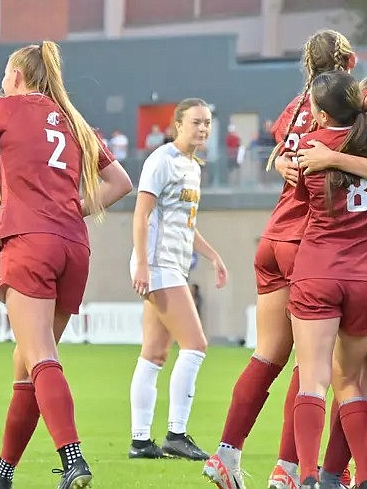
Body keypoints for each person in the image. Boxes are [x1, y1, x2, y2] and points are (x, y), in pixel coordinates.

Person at [0, 41, 133, 489]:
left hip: (30, 242)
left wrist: (16, 198)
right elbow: (121, 182)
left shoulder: (2, 110)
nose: (3, 82)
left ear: (18, 77)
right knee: (28, 366)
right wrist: (70, 207)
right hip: (73, 247)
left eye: (6, 73)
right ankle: (2, 475)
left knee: (40, 356)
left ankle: (73, 458)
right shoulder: (75, 120)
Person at [204, 29, 356, 489]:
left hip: (273, 237)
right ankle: (288, 469)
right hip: (310, 242)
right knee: (313, 366)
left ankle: (226, 455)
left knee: (268, 353)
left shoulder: (295, 108)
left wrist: (279, 163)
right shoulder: (351, 104)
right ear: (348, 61)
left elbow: (280, 150)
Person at [289, 70, 367, 489]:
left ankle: (309, 475)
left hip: (319, 270)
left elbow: (301, 200)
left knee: (314, 377)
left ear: (318, 111)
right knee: (349, 379)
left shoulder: (311, 148)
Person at [128, 98, 228, 461]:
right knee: (196, 345)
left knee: (154, 354)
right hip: (158, 266)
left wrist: (213, 255)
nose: (203, 129)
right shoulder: (161, 160)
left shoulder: (192, 166)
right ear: (178, 125)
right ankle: (176, 434)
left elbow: (186, 224)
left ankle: (140, 442)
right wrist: (141, 263)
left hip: (172, 265)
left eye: (207, 123)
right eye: (196, 122)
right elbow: (141, 215)